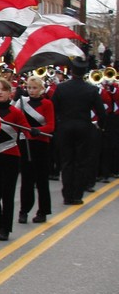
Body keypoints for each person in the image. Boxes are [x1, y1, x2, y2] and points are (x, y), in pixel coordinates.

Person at [52, 58, 107, 204]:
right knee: (80, 162)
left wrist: (58, 124)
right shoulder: (91, 89)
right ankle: (77, 195)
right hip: (83, 128)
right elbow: (101, 112)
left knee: (67, 161)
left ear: (71, 71)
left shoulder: (61, 88)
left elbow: (53, 108)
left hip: (65, 127)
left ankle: (67, 195)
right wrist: (101, 126)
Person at [0, 77, 28, 240]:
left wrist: (34, 131)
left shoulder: (16, 112)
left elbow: (26, 131)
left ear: (10, 93)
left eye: (3, 90)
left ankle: (5, 228)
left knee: (7, 193)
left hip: (10, 156)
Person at [15, 75, 56, 224]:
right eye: (29, 88)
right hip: (25, 143)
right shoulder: (22, 102)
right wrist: (15, 98)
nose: (31, 91)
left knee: (41, 179)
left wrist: (38, 130)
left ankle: (43, 211)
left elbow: (51, 126)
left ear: (41, 89)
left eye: (34, 88)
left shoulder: (47, 104)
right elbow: (14, 118)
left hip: (41, 144)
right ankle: (24, 211)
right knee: (27, 178)